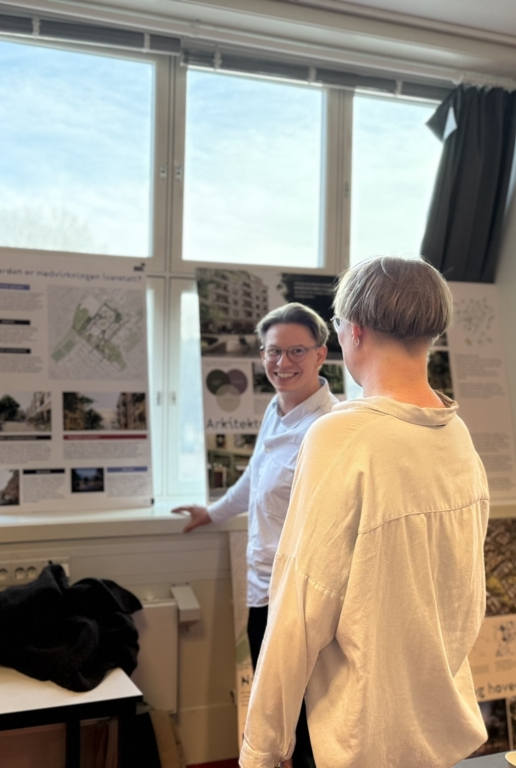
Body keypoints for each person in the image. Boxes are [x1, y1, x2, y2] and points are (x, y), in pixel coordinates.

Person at [240, 257, 490, 768]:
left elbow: (299, 609)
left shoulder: (342, 435)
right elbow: (464, 597)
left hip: (359, 732)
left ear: (353, 330)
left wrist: (261, 749)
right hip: (438, 724)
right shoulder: (457, 435)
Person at [174, 302, 338, 768]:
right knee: (276, 714)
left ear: (321, 354)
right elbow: (256, 476)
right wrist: (212, 513)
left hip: (301, 599)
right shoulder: (276, 408)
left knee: (309, 720)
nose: (282, 363)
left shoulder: (329, 427)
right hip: (263, 590)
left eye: (296, 351)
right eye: (272, 351)